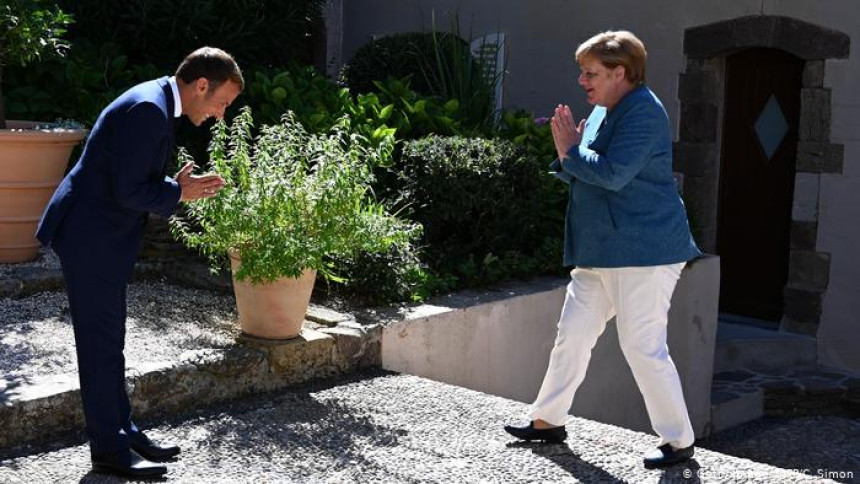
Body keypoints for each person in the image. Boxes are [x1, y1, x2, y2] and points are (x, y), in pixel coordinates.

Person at [36, 47, 243, 478]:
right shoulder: (150, 108)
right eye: (222, 103)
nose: (221, 115)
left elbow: (128, 178)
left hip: (98, 237)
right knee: (99, 347)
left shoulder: (155, 102)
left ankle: (123, 431)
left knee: (109, 344)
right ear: (201, 85)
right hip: (91, 239)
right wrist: (178, 193)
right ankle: (109, 452)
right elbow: (130, 192)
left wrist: (171, 185)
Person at [503, 31, 701, 469]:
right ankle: (547, 420)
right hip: (601, 250)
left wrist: (569, 152)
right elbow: (583, 165)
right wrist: (569, 155)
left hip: (644, 252)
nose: (582, 80)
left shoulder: (644, 113)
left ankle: (679, 440)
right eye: (582, 72)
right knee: (572, 334)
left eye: (591, 73)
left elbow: (612, 174)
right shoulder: (601, 110)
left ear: (620, 73)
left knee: (643, 346)